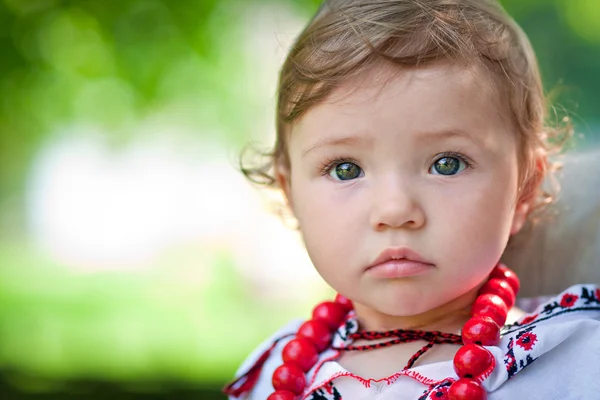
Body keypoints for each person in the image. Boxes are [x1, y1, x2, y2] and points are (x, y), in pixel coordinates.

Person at [224, 0, 600, 399]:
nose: (396, 210)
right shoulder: (273, 373)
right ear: (290, 193)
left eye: (447, 163)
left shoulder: (574, 359)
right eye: (346, 169)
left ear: (524, 189)